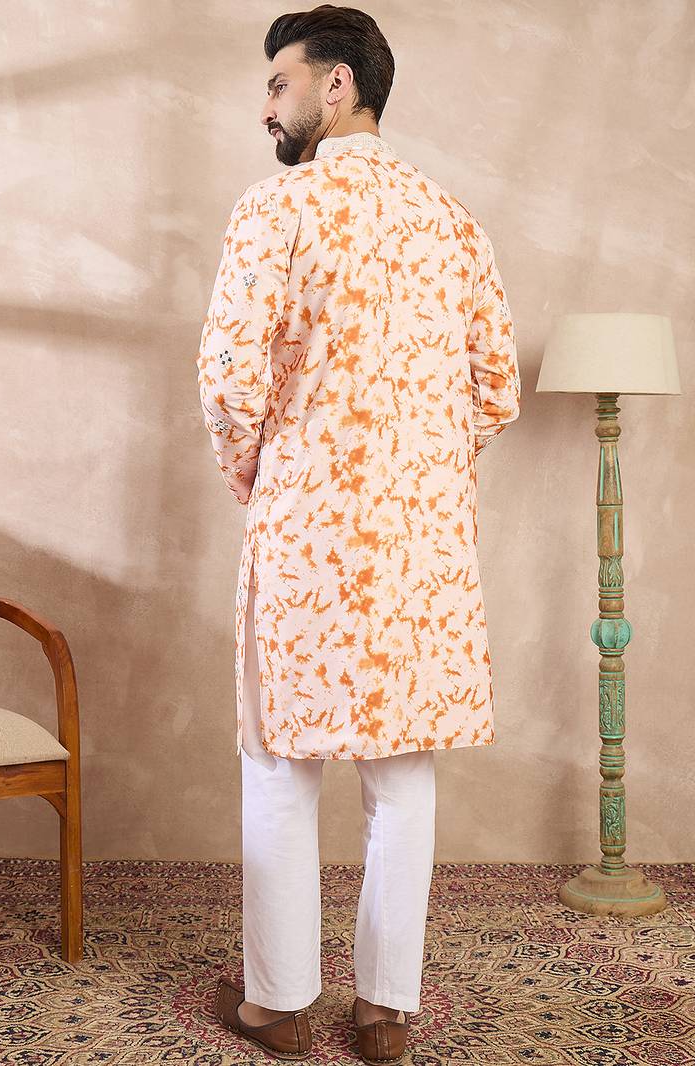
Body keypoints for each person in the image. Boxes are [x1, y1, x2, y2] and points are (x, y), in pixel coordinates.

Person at [197, 5, 521, 1061]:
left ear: (336, 85)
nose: (266, 106)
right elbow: (496, 390)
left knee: (280, 764)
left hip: (306, 530)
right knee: (401, 777)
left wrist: (261, 479)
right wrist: (419, 471)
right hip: (421, 542)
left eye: (279, 83)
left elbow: (228, 383)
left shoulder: (275, 208)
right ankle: (384, 1012)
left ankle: (278, 1004)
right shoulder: (450, 220)